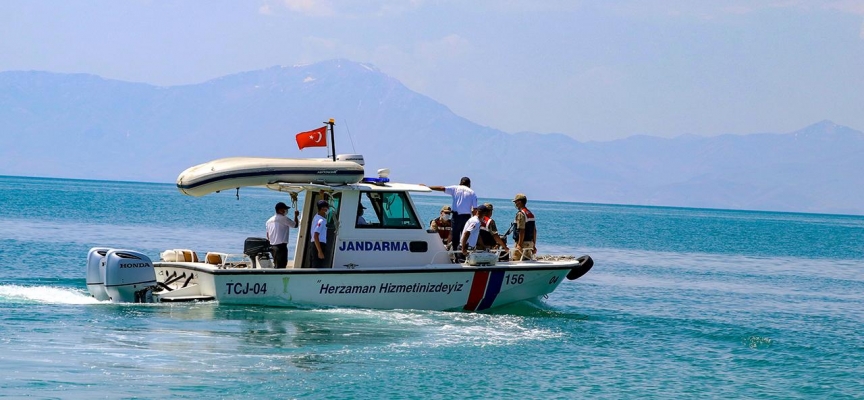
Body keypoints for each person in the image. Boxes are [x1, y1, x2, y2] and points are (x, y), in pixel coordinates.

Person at [424, 177, 477, 248]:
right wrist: (474, 220)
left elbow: (441, 188)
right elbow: (475, 209)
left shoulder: (455, 188)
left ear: (460, 183)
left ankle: (455, 252)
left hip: (456, 216)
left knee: (455, 235)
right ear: (469, 185)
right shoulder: (472, 192)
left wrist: (428, 187)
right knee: (465, 235)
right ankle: (464, 251)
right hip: (467, 217)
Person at [266, 201, 299, 269]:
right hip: (281, 246)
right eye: (284, 209)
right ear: (280, 210)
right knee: (282, 265)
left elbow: (268, 235)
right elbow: (295, 225)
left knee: (276, 264)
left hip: (272, 246)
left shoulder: (269, 221)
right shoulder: (284, 218)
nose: (286, 211)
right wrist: (296, 216)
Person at [511, 193, 537, 261]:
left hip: (522, 243)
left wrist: (519, 244)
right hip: (529, 243)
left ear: (519, 202)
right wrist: (533, 245)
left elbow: (521, 230)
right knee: (526, 261)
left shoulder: (521, 214)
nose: (515, 204)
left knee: (516, 261)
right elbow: (534, 231)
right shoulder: (530, 213)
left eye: (516, 202)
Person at [308, 199, 330, 268]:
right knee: (317, 266)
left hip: (315, 245)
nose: (328, 209)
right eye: (327, 207)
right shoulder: (321, 220)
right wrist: (320, 251)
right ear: (323, 209)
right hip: (318, 244)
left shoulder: (316, 216)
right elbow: (315, 235)